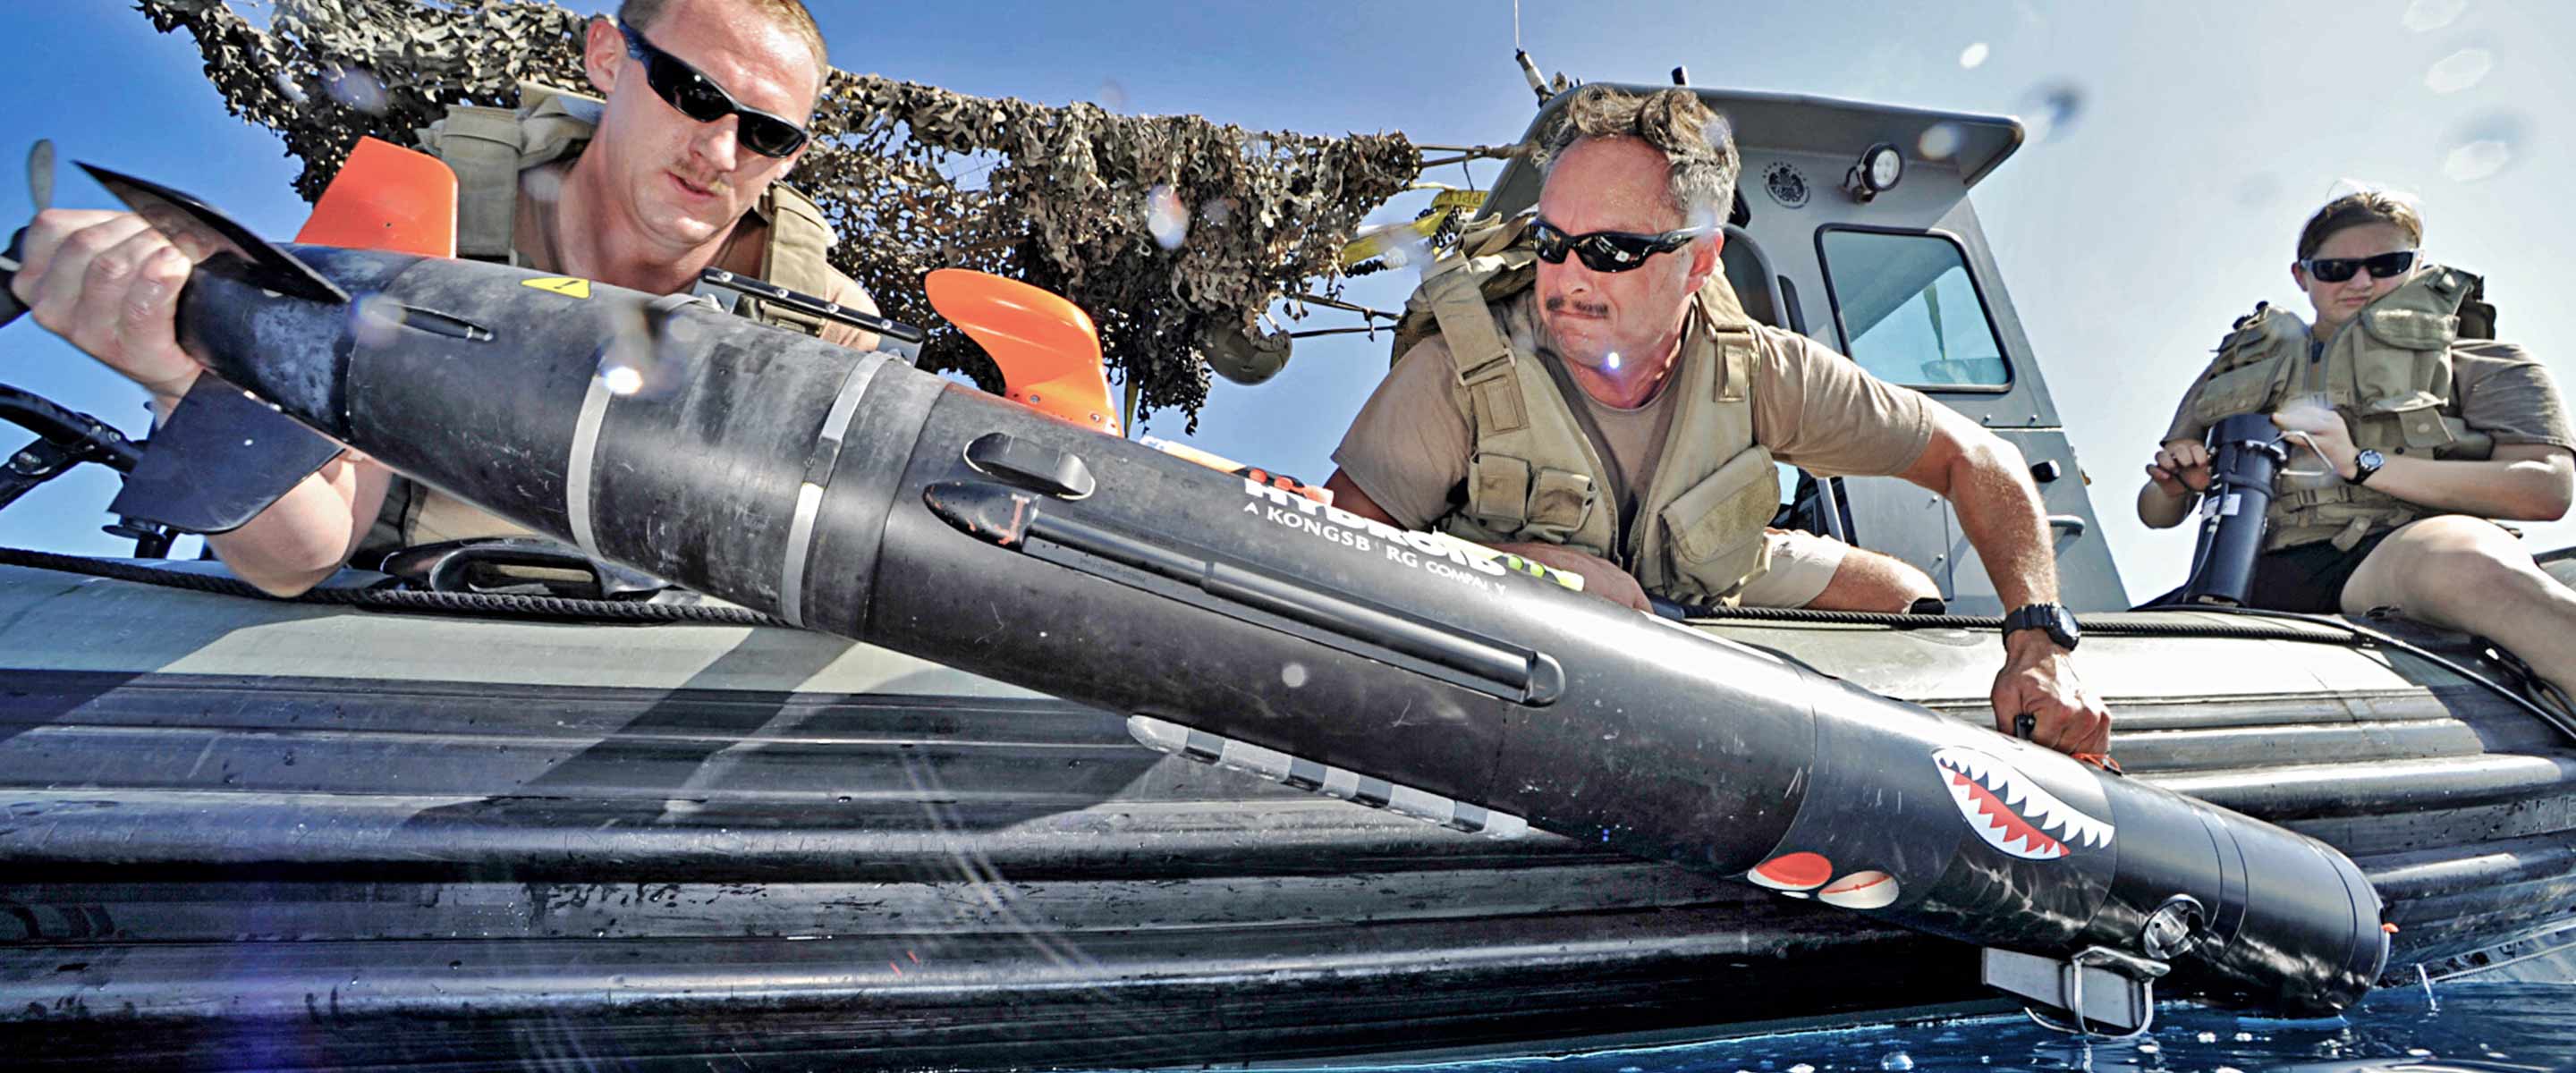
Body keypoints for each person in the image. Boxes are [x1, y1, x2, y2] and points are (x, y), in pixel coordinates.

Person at [1325, 85, 2111, 756]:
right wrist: (1523, 568)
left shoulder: (1763, 368)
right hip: (1510, 612)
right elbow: (1338, 558)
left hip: (1709, 568)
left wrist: (2039, 641)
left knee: (1906, 596)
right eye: (1551, 243)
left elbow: (1977, 458)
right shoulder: (1459, 372)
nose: (1563, 280)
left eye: (1607, 250)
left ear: (1698, 262)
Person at [7, 0, 873, 596]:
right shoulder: (412, 218)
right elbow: (299, 555)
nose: (719, 154)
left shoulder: (824, 318)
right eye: (693, 95)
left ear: (793, 155)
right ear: (608, 57)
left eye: (765, 133)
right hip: (415, 637)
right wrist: (180, 379)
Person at [2140, 191, 2576, 697]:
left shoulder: (2486, 361)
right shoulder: (2235, 370)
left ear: (2416, 266)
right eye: (2337, 269)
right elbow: (2156, 513)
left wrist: (2361, 463)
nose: (2362, 282)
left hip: (2401, 550)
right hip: (2250, 569)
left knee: (2471, 571)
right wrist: (2176, 485)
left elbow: (2545, 489)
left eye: (2385, 265)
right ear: (2302, 276)